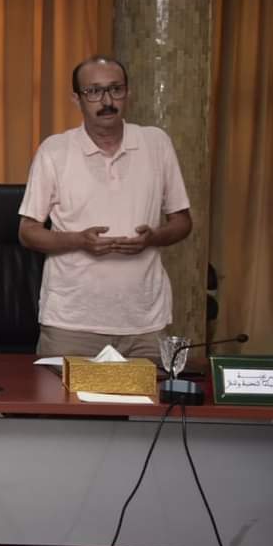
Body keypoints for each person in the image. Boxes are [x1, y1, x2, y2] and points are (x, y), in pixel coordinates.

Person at [18, 55, 192, 361]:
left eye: (115, 89)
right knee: (64, 394)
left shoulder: (156, 143)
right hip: (72, 323)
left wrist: (152, 238)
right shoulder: (55, 150)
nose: (107, 101)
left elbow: (182, 222)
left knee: (154, 394)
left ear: (128, 92)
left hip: (145, 323)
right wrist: (79, 240)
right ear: (77, 99)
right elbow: (27, 232)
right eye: (94, 92)